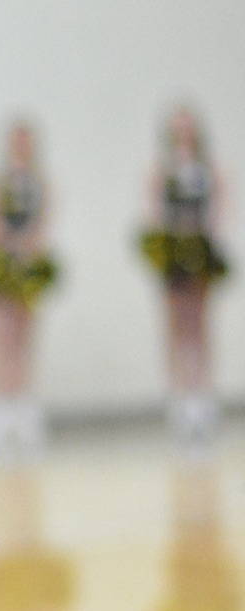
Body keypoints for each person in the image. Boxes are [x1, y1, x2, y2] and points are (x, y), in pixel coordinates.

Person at [139, 105, 229, 442]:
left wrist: (206, 237)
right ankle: (179, 400)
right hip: (173, 254)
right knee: (176, 325)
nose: (184, 133)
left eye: (189, 127)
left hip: (201, 251)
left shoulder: (209, 167)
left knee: (200, 324)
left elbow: (220, 205)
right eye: (178, 128)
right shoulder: (162, 168)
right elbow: (153, 210)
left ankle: (203, 397)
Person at [0, 121, 57, 457]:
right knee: (1, 338)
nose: (22, 147)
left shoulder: (40, 181)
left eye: (27, 141)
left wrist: (30, 248)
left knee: (24, 337)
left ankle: (23, 408)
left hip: (27, 263)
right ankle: (0, 412)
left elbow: (44, 220)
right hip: (1, 263)